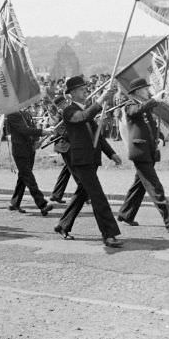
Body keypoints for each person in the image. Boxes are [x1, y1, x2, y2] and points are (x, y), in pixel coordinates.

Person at [52, 75, 124, 247]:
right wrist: (101, 100)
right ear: (72, 93)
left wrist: (111, 154)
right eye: (81, 89)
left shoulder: (84, 108)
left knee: (81, 194)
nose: (85, 91)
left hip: (91, 159)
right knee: (98, 197)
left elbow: (98, 136)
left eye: (85, 88)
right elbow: (83, 116)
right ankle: (109, 234)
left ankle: (63, 225)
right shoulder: (69, 111)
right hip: (82, 161)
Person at [116, 78, 169, 233]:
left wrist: (158, 137)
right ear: (138, 91)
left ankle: (125, 214)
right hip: (140, 152)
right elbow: (135, 111)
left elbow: (150, 125)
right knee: (155, 186)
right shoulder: (130, 104)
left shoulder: (145, 106)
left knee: (139, 186)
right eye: (146, 89)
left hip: (148, 151)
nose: (148, 91)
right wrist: (154, 100)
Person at [6, 106, 54, 215]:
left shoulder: (25, 113)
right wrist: (43, 131)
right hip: (20, 150)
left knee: (24, 177)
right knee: (28, 177)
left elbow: (32, 127)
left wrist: (37, 141)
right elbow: (24, 130)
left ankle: (14, 203)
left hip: (29, 149)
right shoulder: (12, 113)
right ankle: (42, 204)